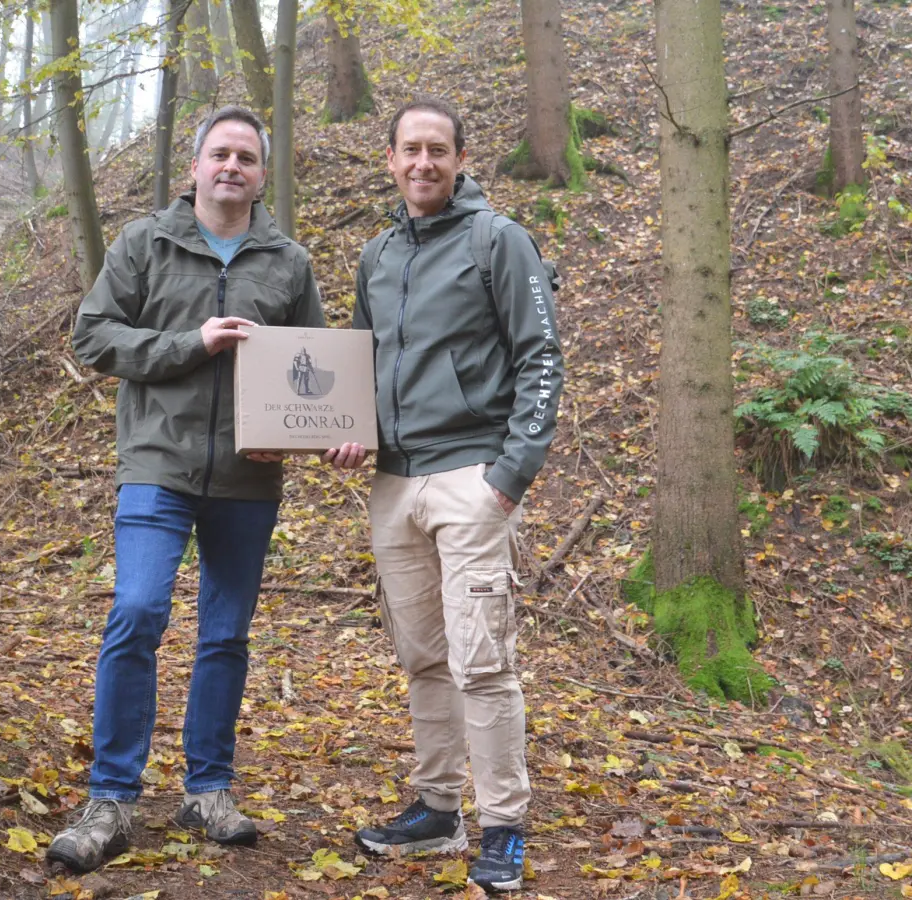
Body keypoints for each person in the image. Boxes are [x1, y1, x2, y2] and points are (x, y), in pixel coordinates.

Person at [49, 105, 325, 875]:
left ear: (263, 174)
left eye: (246, 157)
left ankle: (208, 790)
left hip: (248, 477)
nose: (232, 167)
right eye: (220, 154)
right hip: (157, 464)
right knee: (137, 609)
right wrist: (190, 343)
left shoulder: (287, 263)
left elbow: (317, 366)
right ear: (195, 167)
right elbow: (93, 335)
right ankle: (111, 797)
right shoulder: (145, 242)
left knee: (226, 634)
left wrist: (318, 434)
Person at [325, 97, 562, 893]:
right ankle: (436, 808)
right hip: (392, 482)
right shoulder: (377, 256)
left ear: (461, 159)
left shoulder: (500, 241)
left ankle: (503, 826)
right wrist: (350, 431)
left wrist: (508, 476)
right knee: (423, 656)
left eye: (438, 150)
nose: (423, 163)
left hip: (471, 475)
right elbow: (358, 365)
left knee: (482, 660)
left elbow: (541, 359)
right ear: (388, 159)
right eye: (409, 150)